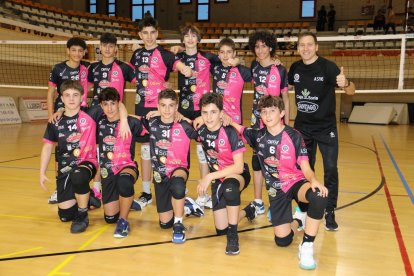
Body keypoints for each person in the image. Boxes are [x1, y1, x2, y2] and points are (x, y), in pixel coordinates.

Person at [230, 95, 328, 270]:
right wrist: (224, 118)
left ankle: (306, 246)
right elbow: (238, 127)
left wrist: (313, 180)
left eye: (272, 111)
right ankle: (299, 220)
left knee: (319, 196)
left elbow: (305, 166)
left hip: (295, 182)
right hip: (276, 190)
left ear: (282, 113)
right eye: (264, 112)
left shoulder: (294, 136)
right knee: (282, 241)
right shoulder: (258, 136)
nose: (267, 116)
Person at [288, 32, 355, 231]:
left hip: (326, 129)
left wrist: (346, 84)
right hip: (302, 128)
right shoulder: (295, 68)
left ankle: (330, 211)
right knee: (303, 170)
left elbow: (351, 91)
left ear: (317, 47)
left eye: (309, 44)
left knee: (331, 169)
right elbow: (284, 85)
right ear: (298, 48)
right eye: (302, 45)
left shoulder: (328, 67)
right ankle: (303, 208)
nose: (305, 48)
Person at [129, 16, 192, 209]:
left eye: (152, 33)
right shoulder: (136, 55)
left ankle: (176, 184)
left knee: (169, 147)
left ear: (157, 34)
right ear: (140, 35)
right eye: (145, 33)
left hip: (163, 110)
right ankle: (147, 192)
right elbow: (134, 78)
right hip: (142, 108)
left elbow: (181, 67)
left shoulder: (165, 54)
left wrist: (184, 68)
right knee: (146, 151)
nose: (149, 37)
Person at [196, 92, 256, 255]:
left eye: (213, 112)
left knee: (230, 188)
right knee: (221, 228)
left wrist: (208, 176)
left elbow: (237, 167)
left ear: (222, 113)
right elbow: (176, 119)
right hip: (219, 178)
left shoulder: (229, 131)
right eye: (205, 112)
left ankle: (233, 236)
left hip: (237, 174)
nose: (208, 117)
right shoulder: (201, 130)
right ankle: (248, 211)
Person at [141, 89, 204, 243]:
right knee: (164, 224)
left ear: (177, 107)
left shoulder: (184, 125)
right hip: (160, 174)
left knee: (177, 187)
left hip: (179, 169)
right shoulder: (151, 122)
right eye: (163, 105)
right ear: (157, 106)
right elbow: (129, 118)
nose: (167, 110)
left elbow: (205, 128)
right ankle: (187, 206)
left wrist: (194, 118)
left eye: (171, 106)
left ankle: (178, 224)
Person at [40, 80, 99, 234]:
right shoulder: (55, 121)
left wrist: (125, 120)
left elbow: (116, 102)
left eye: (75, 95)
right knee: (65, 216)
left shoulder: (91, 113)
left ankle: (83, 214)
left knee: (78, 176)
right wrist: (42, 172)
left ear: (82, 97)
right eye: (67, 95)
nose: (71, 99)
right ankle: (88, 196)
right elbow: (47, 146)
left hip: (86, 162)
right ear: (62, 98)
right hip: (65, 168)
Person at [172, 24, 221, 208]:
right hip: (184, 110)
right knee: (180, 150)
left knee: (203, 153)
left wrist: (234, 59)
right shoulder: (178, 58)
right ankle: (179, 187)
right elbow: (161, 60)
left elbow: (226, 59)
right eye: (187, 35)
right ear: (183, 39)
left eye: (194, 35)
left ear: (198, 39)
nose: (190, 38)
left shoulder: (207, 57)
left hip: (203, 111)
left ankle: (204, 194)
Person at [88, 87, 147, 238]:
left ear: (119, 104)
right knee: (109, 219)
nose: (110, 108)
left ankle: (123, 220)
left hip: (127, 167)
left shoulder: (131, 123)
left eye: (113, 104)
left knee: (125, 182)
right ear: (101, 106)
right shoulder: (98, 123)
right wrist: (61, 110)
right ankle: (127, 202)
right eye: (105, 104)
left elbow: (156, 127)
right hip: (108, 172)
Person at [88, 32, 137, 201]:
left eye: (111, 46)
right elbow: (82, 88)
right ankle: (96, 188)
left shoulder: (123, 67)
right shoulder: (92, 68)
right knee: (96, 151)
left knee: (113, 151)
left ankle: (118, 183)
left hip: (115, 114)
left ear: (115, 49)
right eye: (104, 46)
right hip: (96, 114)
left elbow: (144, 79)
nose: (107, 49)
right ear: (99, 48)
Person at [248, 30, 289, 216]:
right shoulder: (253, 66)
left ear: (271, 47)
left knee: (275, 163)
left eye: (264, 46)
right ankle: (258, 201)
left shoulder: (280, 69)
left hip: (275, 123)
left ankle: (277, 202)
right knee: (257, 162)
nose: (260, 50)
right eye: (257, 46)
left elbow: (286, 99)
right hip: (258, 121)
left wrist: (286, 125)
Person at [46, 37, 89, 204]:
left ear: (84, 52)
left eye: (80, 51)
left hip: (81, 115)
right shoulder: (58, 68)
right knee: (61, 152)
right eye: (74, 50)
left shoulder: (87, 68)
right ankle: (60, 188)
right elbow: (50, 93)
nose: (77, 54)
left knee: (81, 151)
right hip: (61, 114)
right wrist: (52, 114)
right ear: (67, 51)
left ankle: (83, 187)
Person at [211, 37, 251, 124]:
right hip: (217, 118)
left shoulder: (241, 70)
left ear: (234, 53)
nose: (225, 55)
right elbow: (200, 55)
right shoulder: (214, 67)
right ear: (219, 54)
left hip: (234, 119)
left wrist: (273, 61)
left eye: (229, 52)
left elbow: (258, 71)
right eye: (222, 52)